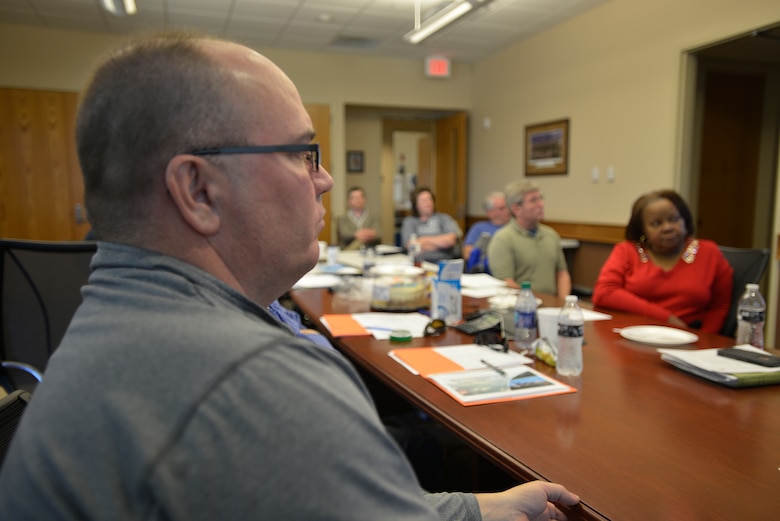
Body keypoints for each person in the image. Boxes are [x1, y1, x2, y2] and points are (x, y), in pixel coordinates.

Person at [0, 32, 579, 520]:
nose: (324, 179)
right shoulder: (253, 379)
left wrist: (481, 509)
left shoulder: (117, 320)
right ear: (198, 190)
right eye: (304, 154)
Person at [592, 189, 733, 333]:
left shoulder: (709, 252)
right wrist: (667, 319)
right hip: (633, 334)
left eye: (674, 219)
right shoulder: (627, 250)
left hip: (688, 338)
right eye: (656, 223)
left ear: (685, 219)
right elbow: (604, 292)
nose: (667, 228)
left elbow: (719, 306)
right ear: (643, 230)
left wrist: (702, 341)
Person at [488, 181, 572, 299]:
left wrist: (563, 304)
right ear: (516, 209)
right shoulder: (503, 239)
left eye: (540, 199)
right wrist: (532, 303)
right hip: (521, 307)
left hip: (552, 307)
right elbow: (507, 284)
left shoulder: (551, 235)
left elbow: (562, 274)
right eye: (533, 200)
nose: (541, 204)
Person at [401, 187, 463, 262]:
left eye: (430, 199)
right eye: (424, 200)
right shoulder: (409, 221)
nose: (428, 203)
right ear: (416, 205)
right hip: (419, 263)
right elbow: (410, 245)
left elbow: (450, 241)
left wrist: (424, 240)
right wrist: (440, 243)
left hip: (444, 262)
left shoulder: (444, 218)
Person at [462, 191, 511, 272]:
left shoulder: (515, 228)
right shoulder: (478, 228)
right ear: (490, 212)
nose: (507, 211)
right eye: (502, 208)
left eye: (508, 207)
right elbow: (467, 254)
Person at [336, 186, 381, 250]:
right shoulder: (343, 218)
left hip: (369, 250)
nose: (357, 200)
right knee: (359, 241)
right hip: (348, 251)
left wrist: (368, 234)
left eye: (360, 197)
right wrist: (356, 234)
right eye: (354, 198)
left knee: (360, 241)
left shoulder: (373, 216)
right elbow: (344, 234)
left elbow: (378, 232)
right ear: (349, 201)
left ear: (365, 199)